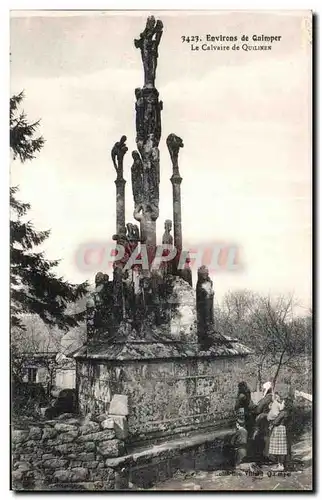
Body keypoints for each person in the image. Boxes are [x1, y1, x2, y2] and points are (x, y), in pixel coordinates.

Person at [268, 396, 293, 471]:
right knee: (282, 448)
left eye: (283, 402)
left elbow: (276, 422)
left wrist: (271, 421)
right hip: (283, 429)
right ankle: (280, 464)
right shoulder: (288, 412)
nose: (282, 403)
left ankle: (280, 465)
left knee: (280, 448)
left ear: (286, 404)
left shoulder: (283, 412)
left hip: (279, 429)